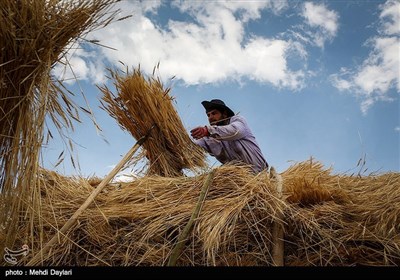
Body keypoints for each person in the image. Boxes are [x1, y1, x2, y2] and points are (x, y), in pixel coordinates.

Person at [190, 99, 269, 173]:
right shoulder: (208, 138)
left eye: (214, 113)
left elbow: (235, 131)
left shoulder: (237, 121)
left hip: (258, 174)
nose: (210, 117)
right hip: (238, 180)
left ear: (224, 114)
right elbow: (194, 147)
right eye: (208, 115)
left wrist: (208, 130)